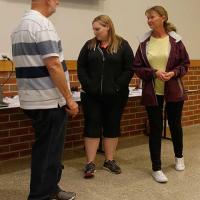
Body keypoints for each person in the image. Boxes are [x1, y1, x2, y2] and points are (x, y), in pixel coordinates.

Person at [11, 0, 78, 199]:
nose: (58, 2)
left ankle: (52, 189)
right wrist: (69, 99)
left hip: (32, 99)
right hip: (48, 101)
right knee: (49, 152)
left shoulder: (19, 27)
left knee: (47, 150)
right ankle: (40, 196)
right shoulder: (42, 25)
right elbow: (53, 65)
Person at [133, 6, 190, 183]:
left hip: (173, 89)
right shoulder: (144, 42)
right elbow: (137, 67)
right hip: (153, 91)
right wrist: (153, 73)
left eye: (152, 17)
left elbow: (184, 64)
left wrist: (173, 73)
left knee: (175, 125)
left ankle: (179, 157)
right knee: (156, 128)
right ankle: (156, 168)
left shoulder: (176, 40)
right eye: (147, 18)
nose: (149, 21)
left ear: (163, 18)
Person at [77, 15, 134, 178]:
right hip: (91, 96)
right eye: (93, 29)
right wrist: (88, 85)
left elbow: (129, 68)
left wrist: (117, 86)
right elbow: (81, 67)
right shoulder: (89, 46)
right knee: (91, 126)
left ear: (108, 26)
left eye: (98, 29)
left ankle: (109, 161)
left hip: (116, 95)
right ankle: (90, 163)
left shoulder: (122, 45)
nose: (95, 32)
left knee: (112, 125)